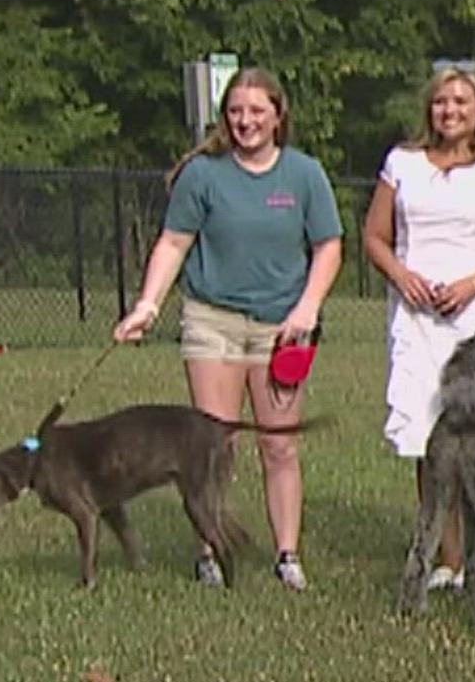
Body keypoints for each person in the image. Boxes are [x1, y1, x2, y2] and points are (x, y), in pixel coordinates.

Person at [112, 67, 343, 590]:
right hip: (211, 322)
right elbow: (174, 244)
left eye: (257, 110)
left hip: (281, 328)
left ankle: (287, 554)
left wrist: (306, 308)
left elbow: (328, 246)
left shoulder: (304, 175)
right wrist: (148, 304)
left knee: (279, 445)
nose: (246, 121)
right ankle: (211, 549)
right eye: (236, 111)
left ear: (278, 115)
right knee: (211, 445)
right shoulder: (204, 175)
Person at [363, 63, 475, 592]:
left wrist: (474, 284)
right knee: (427, 435)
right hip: (416, 317)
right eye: (441, 102)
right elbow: (374, 236)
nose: (450, 111)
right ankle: (446, 555)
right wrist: (402, 276)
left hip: (474, 319)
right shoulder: (403, 164)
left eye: (462, 102)